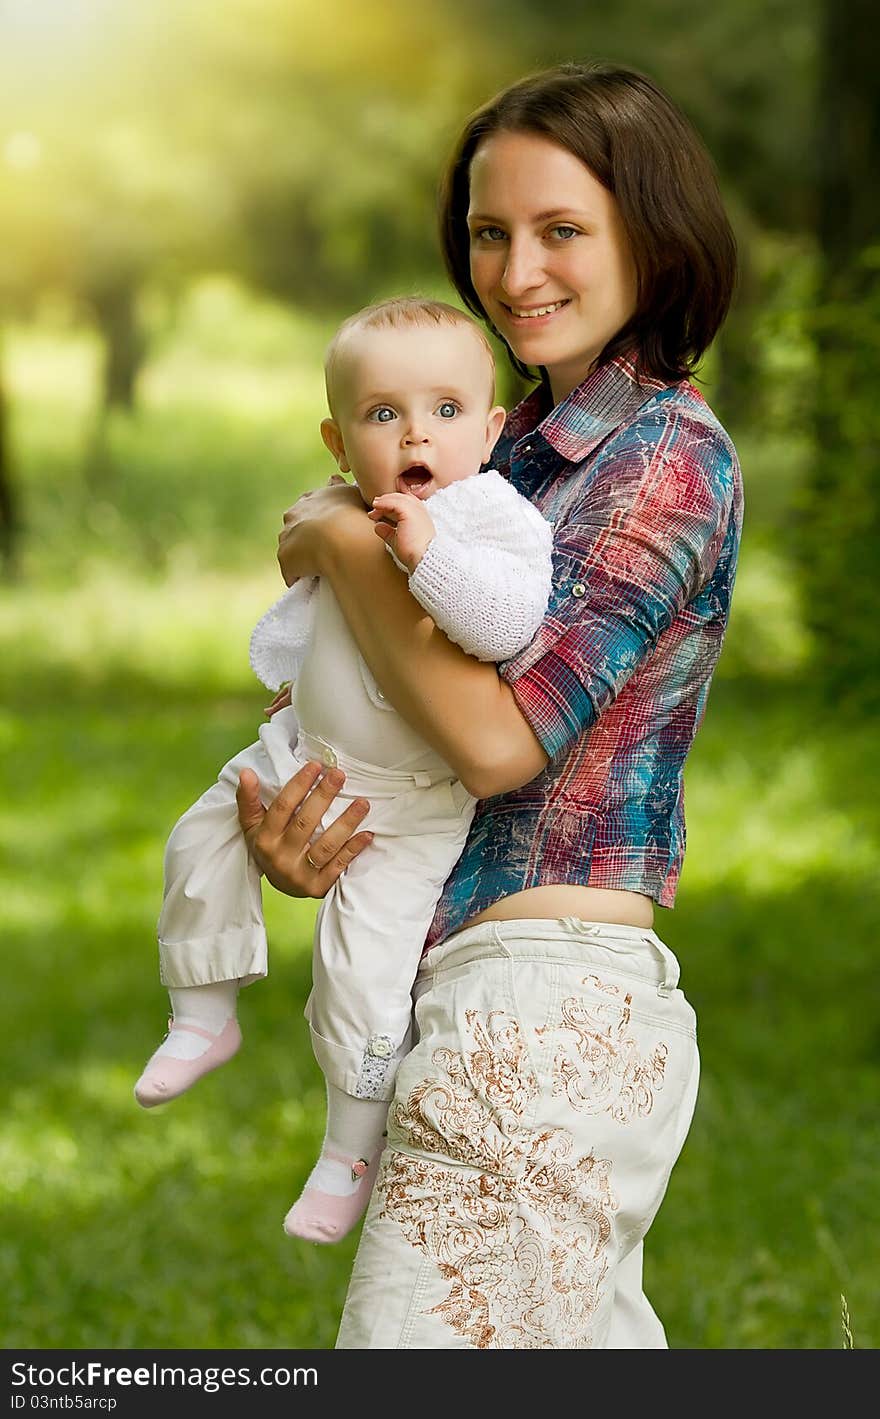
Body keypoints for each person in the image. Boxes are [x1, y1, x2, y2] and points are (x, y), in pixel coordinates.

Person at [236, 61, 743, 1348]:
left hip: (547, 1010)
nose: (516, 272)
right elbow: (410, 725)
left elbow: (501, 741)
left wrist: (347, 546)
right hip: (466, 986)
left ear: (651, 234)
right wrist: (324, 837)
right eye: (489, 232)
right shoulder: (500, 446)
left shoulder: (663, 458)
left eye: (561, 230)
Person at [134, 296, 554, 1246]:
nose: (418, 433)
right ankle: (202, 1007)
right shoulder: (354, 509)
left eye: (448, 411)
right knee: (199, 838)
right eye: (383, 414)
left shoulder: (492, 519)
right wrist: (292, 692)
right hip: (307, 754)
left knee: (360, 977)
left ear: (491, 429)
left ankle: (350, 1148)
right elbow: (313, 629)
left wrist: (423, 552)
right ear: (339, 438)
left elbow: (504, 623)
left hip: (405, 809)